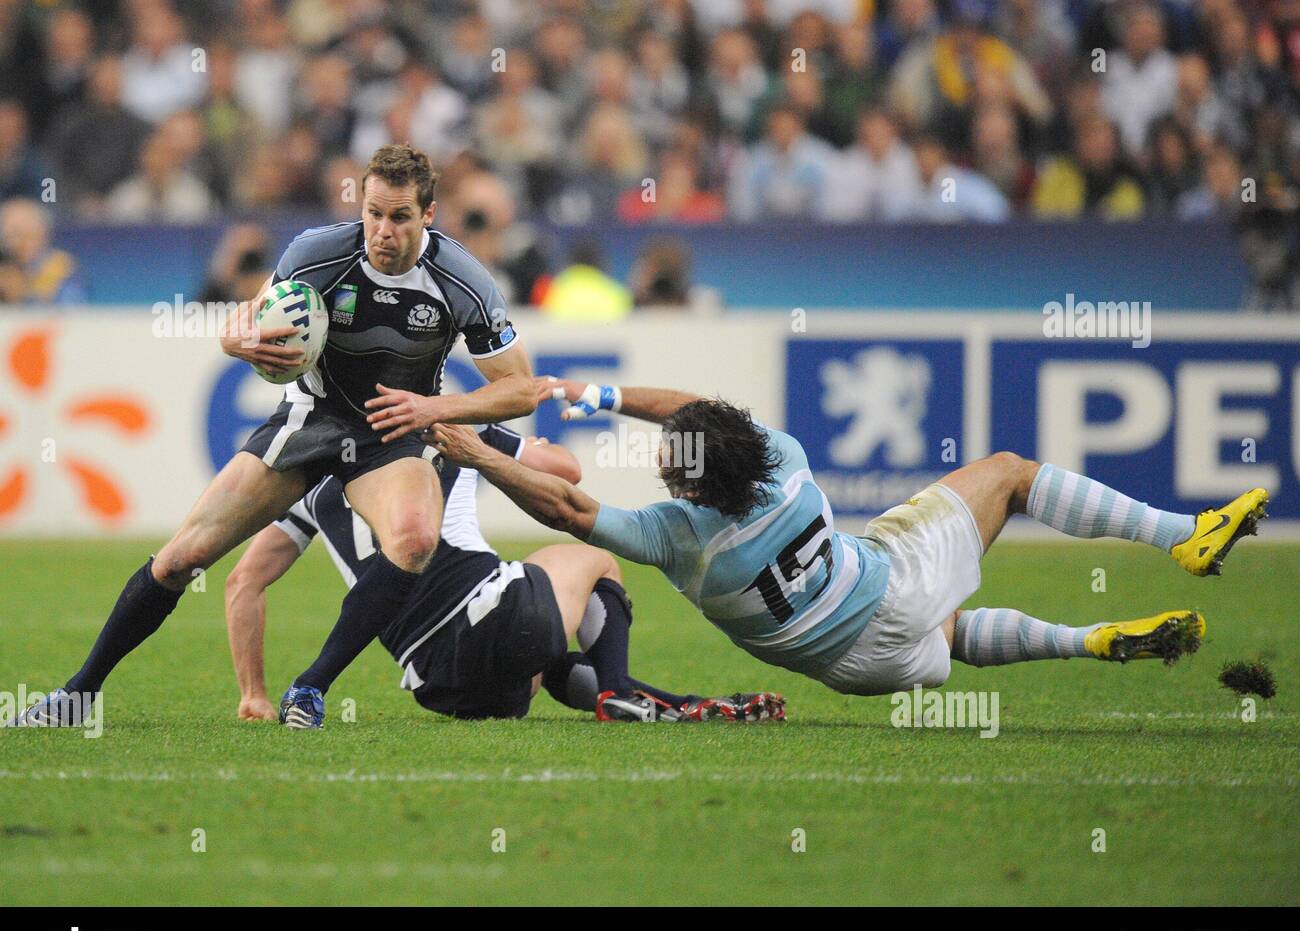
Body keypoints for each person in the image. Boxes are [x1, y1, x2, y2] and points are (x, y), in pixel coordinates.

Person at [10, 143, 536, 729]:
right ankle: (78, 694)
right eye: (374, 213)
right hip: (309, 422)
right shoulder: (317, 252)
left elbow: (520, 390)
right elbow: (252, 319)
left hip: (392, 433)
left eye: (400, 217)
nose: (382, 231)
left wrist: (437, 407)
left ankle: (310, 688)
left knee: (414, 540)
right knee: (182, 558)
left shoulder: (463, 280)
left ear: (429, 215)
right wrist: (234, 339)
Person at [426, 378, 1270, 699]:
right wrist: (603, 392)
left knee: (952, 632)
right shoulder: (784, 458)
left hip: (853, 669)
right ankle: (1179, 534)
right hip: (882, 585)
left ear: (688, 485)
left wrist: (472, 452)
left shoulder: (677, 537)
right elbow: (701, 411)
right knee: (1009, 474)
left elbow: (569, 513)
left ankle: (1096, 635)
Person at [225, 425, 780, 725]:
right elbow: (567, 469)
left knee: (547, 657)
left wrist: (254, 693)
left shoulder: (311, 477)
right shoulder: (441, 421)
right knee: (593, 559)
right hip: (496, 617)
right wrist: (487, 441)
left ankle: (670, 702)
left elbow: (242, 582)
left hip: (442, 685)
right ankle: (618, 689)